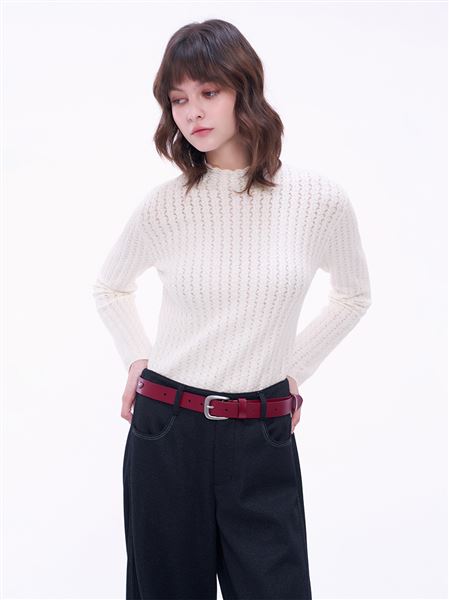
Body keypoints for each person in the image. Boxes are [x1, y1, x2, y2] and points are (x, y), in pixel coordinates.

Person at [92, 18, 372, 600]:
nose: (192, 112)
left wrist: (292, 370)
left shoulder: (318, 200)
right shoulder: (166, 206)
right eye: (178, 100)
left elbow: (353, 296)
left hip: (263, 434)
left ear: (245, 89)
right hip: (167, 433)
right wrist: (137, 359)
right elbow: (110, 287)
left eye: (208, 91)